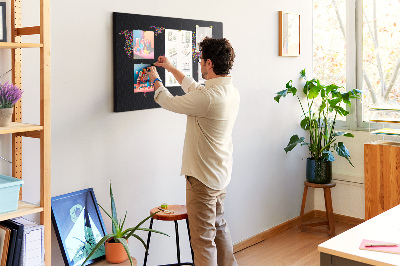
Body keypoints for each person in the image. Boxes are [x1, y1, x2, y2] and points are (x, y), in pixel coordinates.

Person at [144, 37, 239, 266]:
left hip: (202, 179)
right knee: (219, 229)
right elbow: (194, 88)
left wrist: (156, 79)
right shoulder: (230, 92)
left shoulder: (207, 98)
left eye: (201, 62)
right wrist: (171, 68)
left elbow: (169, 101)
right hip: (219, 175)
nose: (199, 66)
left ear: (209, 64)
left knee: (203, 241)